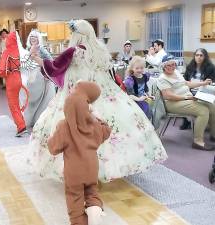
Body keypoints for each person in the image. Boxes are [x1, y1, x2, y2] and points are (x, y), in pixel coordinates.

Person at [28, 19, 167, 183]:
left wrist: (36, 57)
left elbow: (52, 68)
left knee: (73, 131)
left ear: (77, 34)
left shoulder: (73, 51)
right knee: (111, 130)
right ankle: (107, 168)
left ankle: (82, 170)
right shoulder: (100, 50)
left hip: (76, 97)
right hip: (104, 96)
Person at [48, 81, 111, 225]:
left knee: (74, 197)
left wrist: (51, 138)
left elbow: (53, 148)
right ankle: (95, 212)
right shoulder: (94, 125)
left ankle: (79, 222)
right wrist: (96, 116)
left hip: (74, 172)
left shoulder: (64, 126)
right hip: (91, 168)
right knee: (92, 192)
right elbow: (107, 131)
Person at [157, 55, 215, 151]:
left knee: (212, 106)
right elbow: (168, 96)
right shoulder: (162, 78)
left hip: (187, 98)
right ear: (163, 67)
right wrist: (185, 98)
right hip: (172, 103)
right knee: (203, 110)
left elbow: (187, 83)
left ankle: (213, 134)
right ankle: (198, 141)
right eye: (169, 66)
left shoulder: (176, 72)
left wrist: (202, 83)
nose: (172, 67)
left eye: (173, 64)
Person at [24, 29, 56, 128]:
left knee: (42, 101)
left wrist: (41, 63)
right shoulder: (27, 49)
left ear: (39, 39)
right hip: (31, 78)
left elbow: (50, 61)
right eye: (31, 37)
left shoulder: (41, 49)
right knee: (31, 101)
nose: (33, 39)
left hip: (41, 78)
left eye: (35, 38)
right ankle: (32, 120)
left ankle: (40, 120)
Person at [0, 31, 28, 137]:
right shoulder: (21, 51)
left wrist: (5, 75)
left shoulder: (7, 52)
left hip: (11, 79)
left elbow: (2, 70)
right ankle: (22, 123)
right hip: (20, 77)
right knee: (18, 102)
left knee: (13, 104)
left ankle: (21, 126)